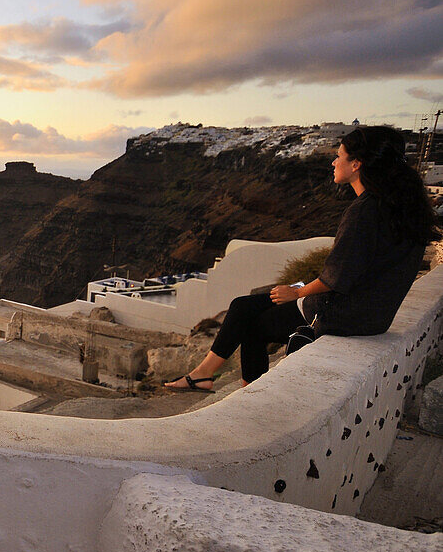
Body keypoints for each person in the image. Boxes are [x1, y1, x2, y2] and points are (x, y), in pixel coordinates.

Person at [166, 125, 440, 392]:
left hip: (342, 313)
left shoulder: (364, 212)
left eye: (339, 156)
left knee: (250, 321)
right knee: (242, 306)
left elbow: (337, 279)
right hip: (374, 314)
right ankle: (204, 375)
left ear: (356, 164)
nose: (333, 162)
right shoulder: (400, 207)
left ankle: (245, 392)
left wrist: (296, 292)